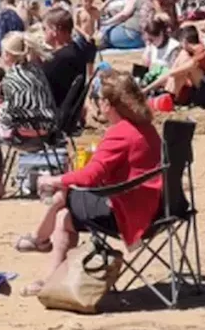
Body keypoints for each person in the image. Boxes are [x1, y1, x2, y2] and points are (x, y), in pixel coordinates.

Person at [18, 72, 163, 295]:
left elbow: (90, 177)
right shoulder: (146, 127)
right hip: (160, 206)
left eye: (97, 99)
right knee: (63, 211)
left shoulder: (120, 133)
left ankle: (43, 253)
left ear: (107, 104)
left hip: (131, 211)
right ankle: (42, 249)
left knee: (63, 205)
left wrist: (55, 179)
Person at [0, 32, 57, 203]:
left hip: (24, 136)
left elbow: (10, 118)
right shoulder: (37, 70)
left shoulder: (11, 78)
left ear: (8, 55)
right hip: (47, 132)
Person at [144, 26, 205, 109]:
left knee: (187, 67)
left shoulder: (203, 53)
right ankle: (168, 96)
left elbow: (172, 73)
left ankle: (169, 97)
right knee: (183, 58)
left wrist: (147, 89)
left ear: (185, 42)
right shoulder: (198, 51)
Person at [39, 8, 94, 121]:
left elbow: (37, 83)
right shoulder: (76, 51)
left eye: (45, 29)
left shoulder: (59, 59)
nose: (43, 33)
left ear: (54, 30)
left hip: (53, 114)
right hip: (69, 112)